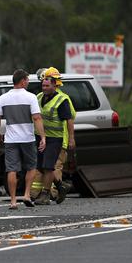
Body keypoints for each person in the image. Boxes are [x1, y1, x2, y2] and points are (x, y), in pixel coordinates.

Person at [0, 69, 46, 209]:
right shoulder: (31, 97)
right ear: (22, 81)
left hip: (10, 139)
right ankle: (27, 194)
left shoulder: (3, 98)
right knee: (31, 166)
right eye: (27, 80)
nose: (28, 82)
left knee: (12, 169)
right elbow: (37, 118)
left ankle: (13, 201)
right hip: (27, 138)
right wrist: (43, 137)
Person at [30, 67, 75, 204]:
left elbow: (69, 120)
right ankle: (61, 186)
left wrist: (71, 138)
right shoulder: (38, 97)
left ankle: (46, 195)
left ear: (55, 85)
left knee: (49, 166)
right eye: (42, 85)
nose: (44, 88)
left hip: (55, 138)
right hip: (41, 137)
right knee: (41, 166)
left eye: (47, 85)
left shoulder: (62, 100)